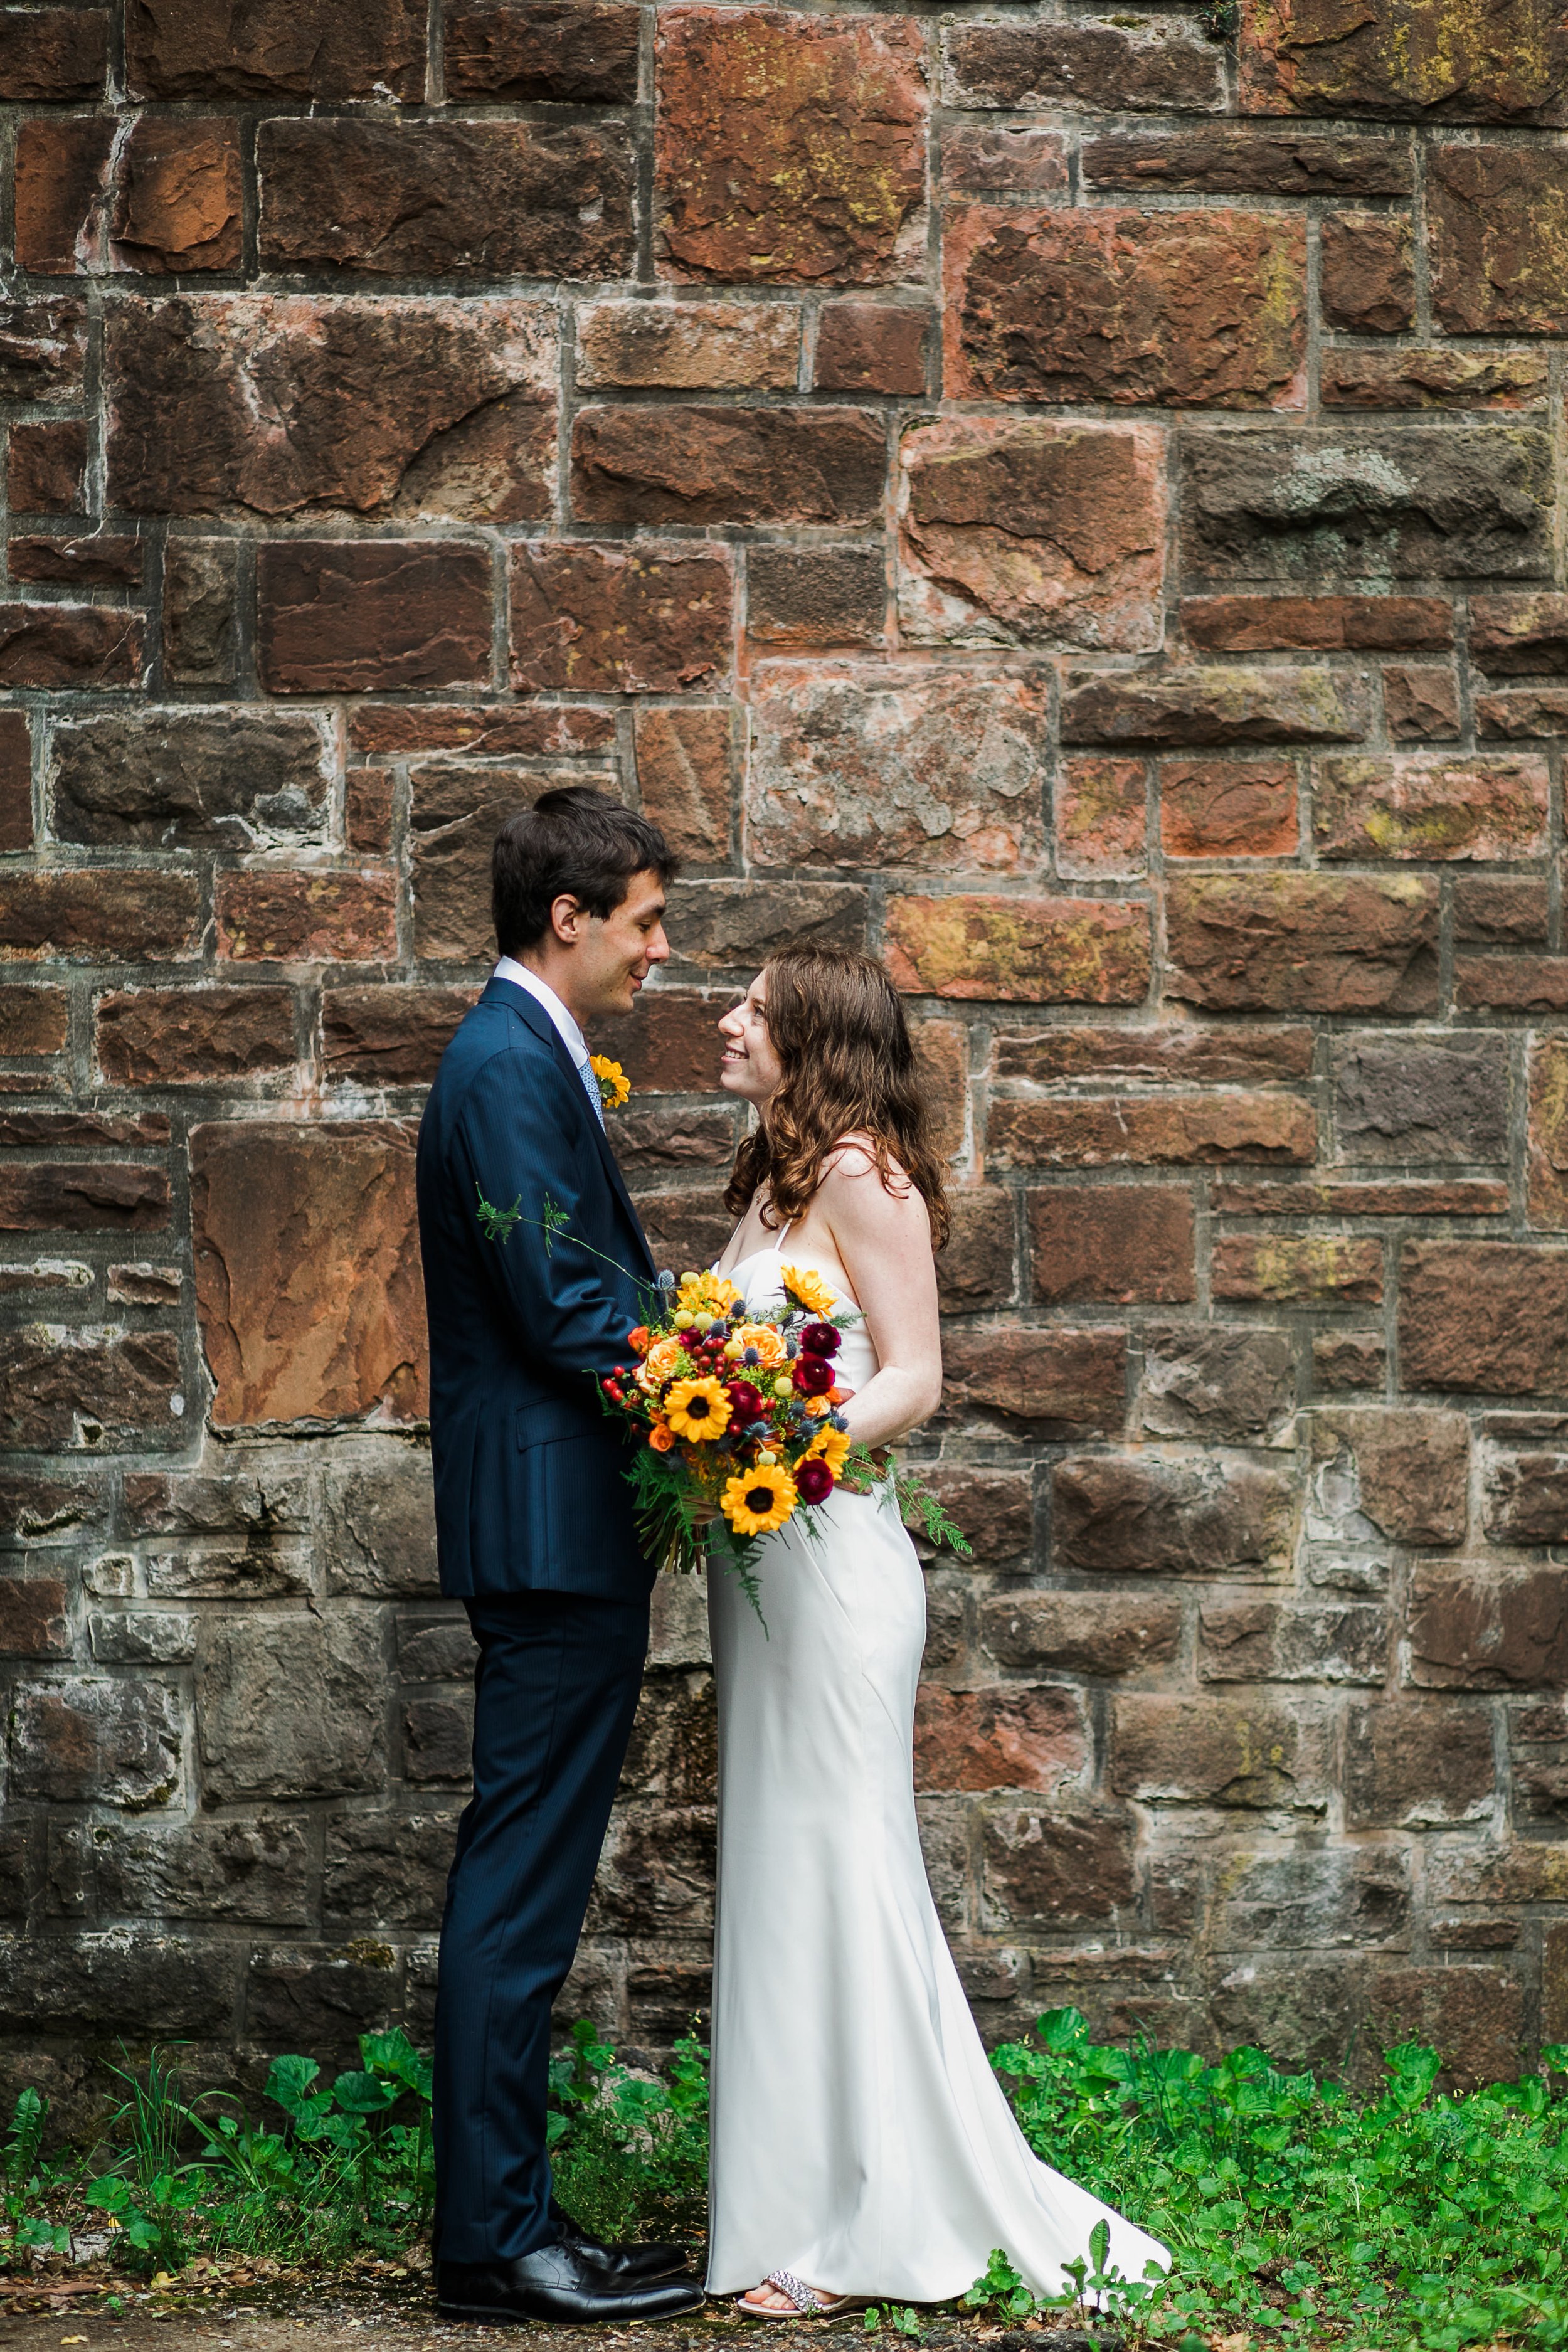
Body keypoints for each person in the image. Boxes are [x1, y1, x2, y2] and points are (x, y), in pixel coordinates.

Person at [706, 945, 1172, 2320]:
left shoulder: (865, 1173)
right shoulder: (773, 1178)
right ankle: (791, 2201)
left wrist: (784, 1447)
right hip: (762, 1573)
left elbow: (913, 1378)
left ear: (813, 1039)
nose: (727, 1020)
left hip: (833, 1566)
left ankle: (874, 2223)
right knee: (782, 1868)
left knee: (842, 1864)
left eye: (754, 1009)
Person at [415, 787, 706, 2327]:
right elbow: (562, 1306)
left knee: (525, 1883)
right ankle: (493, 2245)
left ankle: (513, 2219)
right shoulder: (506, 1063)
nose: (659, 951)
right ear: (567, 917)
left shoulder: (526, 1054)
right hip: (547, 1531)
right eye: (645, 924)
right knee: (519, 1892)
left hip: (559, 1526)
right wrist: (721, 1398)